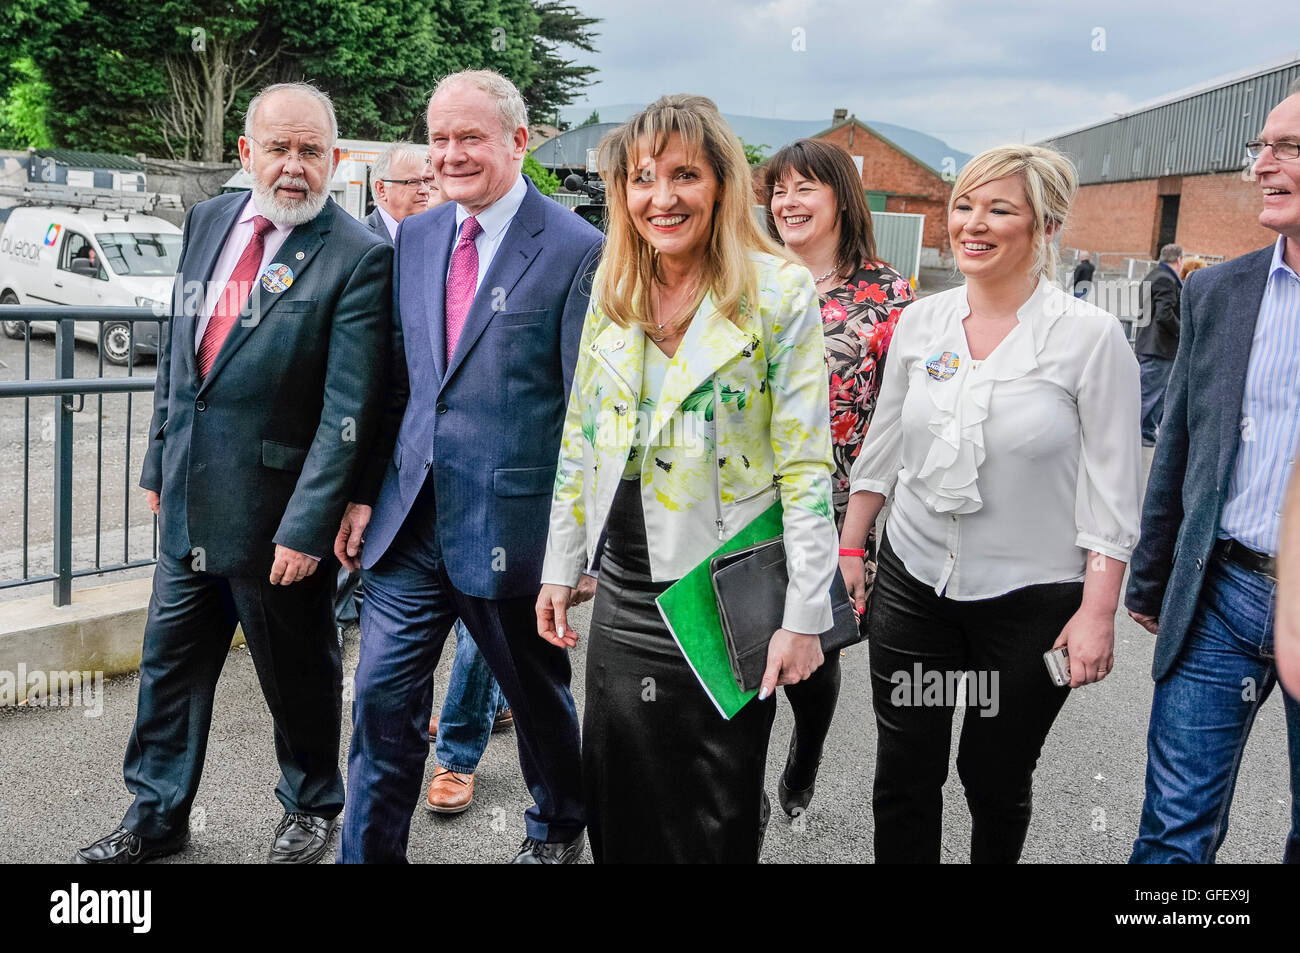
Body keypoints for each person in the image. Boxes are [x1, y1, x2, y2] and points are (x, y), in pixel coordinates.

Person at [75, 82, 392, 864]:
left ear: (335, 158)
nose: (294, 167)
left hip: (276, 519)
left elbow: (348, 409)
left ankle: (312, 803)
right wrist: (157, 458)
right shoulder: (208, 219)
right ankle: (155, 814)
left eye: (311, 151)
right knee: (168, 669)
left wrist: (310, 524)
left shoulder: (358, 257)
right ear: (246, 153)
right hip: (187, 502)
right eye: (279, 149)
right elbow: (180, 364)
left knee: (299, 676)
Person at [538, 94, 839, 863]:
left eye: (684, 175)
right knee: (618, 794)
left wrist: (805, 614)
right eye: (643, 178)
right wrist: (559, 564)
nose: (661, 198)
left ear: (722, 184)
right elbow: (582, 437)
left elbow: (806, 462)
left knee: (712, 809)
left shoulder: (778, 292)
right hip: (626, 591)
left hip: (723, 592)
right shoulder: (615, 294)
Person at [841, 143, 1142, 864]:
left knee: (994, 773)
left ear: (1044, 226)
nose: (973, 224)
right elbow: (882, 446)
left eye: (999, 209)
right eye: (965, 206)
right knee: (906, 773)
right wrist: (852, 546)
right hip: (915, 587)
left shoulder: (1091, 339)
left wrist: (1097, 611)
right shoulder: (923, 322)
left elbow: (1112, 486)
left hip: (1031, 602)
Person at [336, 69, 602, 864]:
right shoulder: (416, 237)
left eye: (470, 138)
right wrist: (357, 493)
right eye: (439, 139)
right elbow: (398, 380)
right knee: (380, 704)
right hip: (408, 521)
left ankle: (556, 827)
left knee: (539, 702)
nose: (450, 155)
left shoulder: (577, 250)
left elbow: (587, 415)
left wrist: (574, 544)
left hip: (510, 530)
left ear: (518, 142)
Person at [1126, 84, 1300, 864]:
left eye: (1288, 148)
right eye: (1261, 146)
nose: (1263, 164)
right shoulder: (1218, 291)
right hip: (1221, 591)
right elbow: (1184, 447)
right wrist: (1152, 574)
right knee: (1173, 829)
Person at [763, 138, 913, 817]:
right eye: (778, 190)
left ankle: (808, 749)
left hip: (837, 499)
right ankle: (741, 785)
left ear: (840, 200)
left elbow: (900, 419)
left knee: (815, 649)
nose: (787, 202)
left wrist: (863, 528)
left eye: (804, 188)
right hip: (746, 495)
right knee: (746, 635)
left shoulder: (889, 299)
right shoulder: (749, 277)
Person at [335, 141, 438, 630]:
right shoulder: (360, 243)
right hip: (361, 419)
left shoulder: (440, 241)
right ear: (380, 190)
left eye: (430, 180)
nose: (426, 189)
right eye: (415, 181)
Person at [1134, 243, 1184, 447]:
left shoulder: (1152, 275)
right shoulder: (1166, 279)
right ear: (1179, 260)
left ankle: (1145, 431)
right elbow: (1165, 314)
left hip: (1148, 343)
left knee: (1152, 392)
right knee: (1148, 393)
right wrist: (1183, 331)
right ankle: (1137, 432)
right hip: (1159, 347)